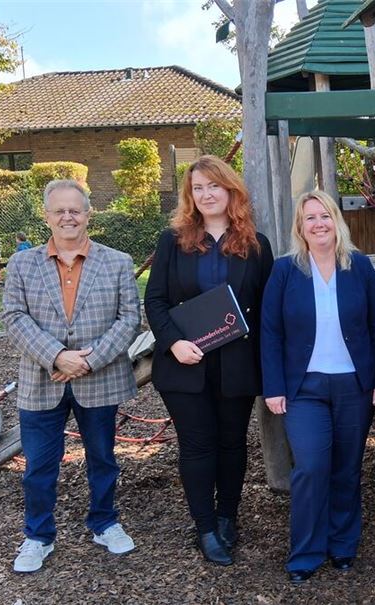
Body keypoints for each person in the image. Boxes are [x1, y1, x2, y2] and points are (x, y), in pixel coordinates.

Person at [3, 179, 140, 573]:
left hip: (99, 379)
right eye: (59, 210)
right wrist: (57, 356)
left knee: (103, 458)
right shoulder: (22, 263)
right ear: (46, 216)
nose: (68, 217)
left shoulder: (116, 262)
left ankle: (105, 522)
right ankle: (38, 535)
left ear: (87, 214)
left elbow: (130, 318)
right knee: (39, 466)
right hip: (41, 381)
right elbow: (14, 318)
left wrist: (88, 360)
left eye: (75, 210)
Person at [144, 155, 274, 565]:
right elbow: (156, 301)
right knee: (198, 446)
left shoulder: (255, 244)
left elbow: (266, 307)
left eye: (213, 186)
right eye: (197, 189)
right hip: (186, 365)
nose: (206, 195)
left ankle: (227, 517)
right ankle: (204, 526)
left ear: (230, 189)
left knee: (232, 444)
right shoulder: (173, 241)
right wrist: (174, 342)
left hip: (236, 363)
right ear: (190, 195)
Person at [260, 190, 375, 585]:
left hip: (354, 385)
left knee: (347, 468)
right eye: (309, 218)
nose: (318, 224)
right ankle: (306, 551)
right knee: (312, 467)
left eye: (324, 216)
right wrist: (274, 386)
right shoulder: (285, 271)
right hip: (304, 388)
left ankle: (343, 545)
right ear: (300, 227)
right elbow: (270, 332)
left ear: (337, 221)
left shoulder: (360, 266)